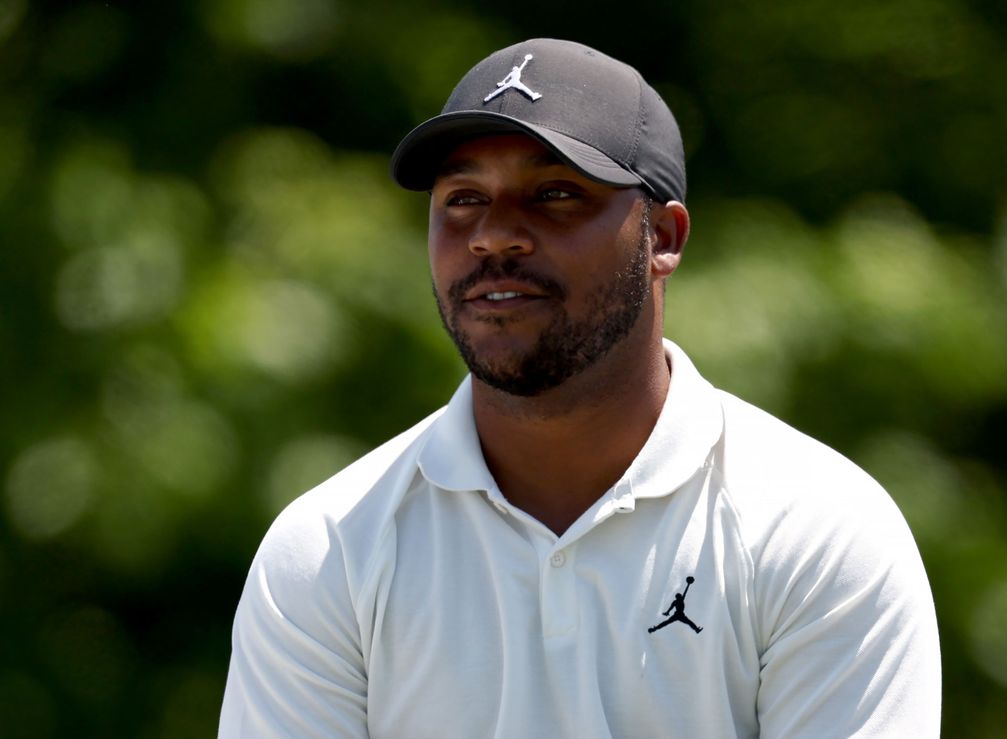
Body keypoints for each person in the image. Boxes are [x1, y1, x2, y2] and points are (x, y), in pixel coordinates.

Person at [219, 38, 941, 737]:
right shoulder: (329, 549)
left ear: (663, 236)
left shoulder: (817, 530)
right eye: (463, 198)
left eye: (556, 193)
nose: (493, 236)